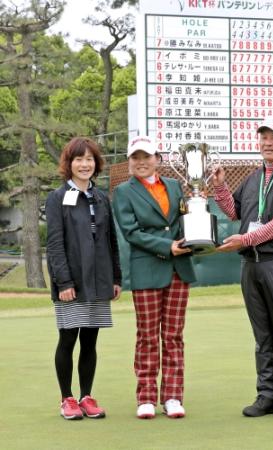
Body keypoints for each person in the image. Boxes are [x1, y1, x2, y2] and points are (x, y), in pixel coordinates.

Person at [212, 116, 273, 420]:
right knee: (263, 336)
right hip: (251, 266)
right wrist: (220, 187)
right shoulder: (254, 178)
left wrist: (246, 238)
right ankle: (267, 395)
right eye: (263, 137)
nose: (267, 143)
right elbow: (233, 211)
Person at [112, 135, 196, 419]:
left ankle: (173, 396)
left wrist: (198, 208)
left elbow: (184, 219)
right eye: (135, 158)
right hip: (147, 268)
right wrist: (167, 246)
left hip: (178, 269)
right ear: (129, 162)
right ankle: (146, 396)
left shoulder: (174, 186)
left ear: (157, 159)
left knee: (173, 336)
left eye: (146, 157)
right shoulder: (123, 192)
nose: (141, 162)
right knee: (147, 336)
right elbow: (131, 232)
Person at [46, 137, 122, 420]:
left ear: (96, 164)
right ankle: (66, 399)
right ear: (69, 163)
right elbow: (54, 244)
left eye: (89, 159)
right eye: (79, 159)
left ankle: (86, 397)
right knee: (67, 340)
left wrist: (115, 277)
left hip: (99, 281)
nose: (84, 164)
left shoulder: (101, 197)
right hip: (72, 282)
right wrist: (64, 282)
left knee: (90, 341)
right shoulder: (57, 198)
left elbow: (111, 240)